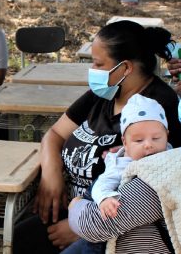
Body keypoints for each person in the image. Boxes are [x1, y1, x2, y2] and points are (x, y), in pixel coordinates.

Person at [13, 20, 181, 253]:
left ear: (125, 68)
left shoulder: (155, 110)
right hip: (74, 208)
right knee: (19, 238)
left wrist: (80, 226)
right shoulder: (105, 93)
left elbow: (152, 191)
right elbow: (55, 134)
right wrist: (51, 175)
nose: (93, 70)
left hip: (114, 226)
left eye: (99, 64)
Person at [63, 94, 171, 254]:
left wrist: (75, 206)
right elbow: (102, 184)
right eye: (139, 141)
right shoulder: (121, 164)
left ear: (167, 136)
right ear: (125, 143)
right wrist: (105, 198)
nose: (148, 145)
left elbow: (93, 225)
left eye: (156, 138)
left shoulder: (166, 167)